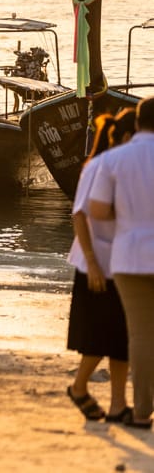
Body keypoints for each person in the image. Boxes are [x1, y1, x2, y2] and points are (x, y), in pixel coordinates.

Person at [67, 109, 136, 423]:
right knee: (100, 337)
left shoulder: (128, 167)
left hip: (122, 261)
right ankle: (79, 387)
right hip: (94, 263)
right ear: (124, 138)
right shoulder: (97, 166)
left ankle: (118, 404)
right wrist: (92, 263)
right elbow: (79, 215)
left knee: (122, 336)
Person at [89, 97, 154, 429]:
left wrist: (127, 217)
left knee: (141, 334)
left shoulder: (114, 159)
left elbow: (96, 210)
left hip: (129, 255)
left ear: (138, 122)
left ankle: (142, 411)